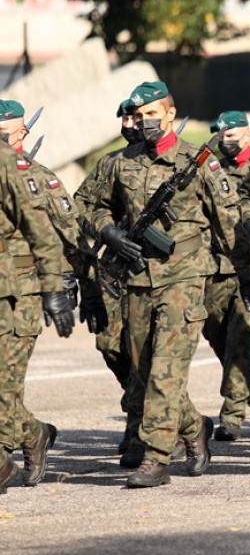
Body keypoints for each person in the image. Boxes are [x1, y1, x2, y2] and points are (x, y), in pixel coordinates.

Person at [87, 81, 250, 487]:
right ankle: (194, 424)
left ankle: (156, 457)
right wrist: (109, 232)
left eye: (152, 114)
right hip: (136, 278)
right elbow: (85, 206)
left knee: (166, 369)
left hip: (185, 276)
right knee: (145, 371)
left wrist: (246, 274)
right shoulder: (119, 163)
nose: (145, 122)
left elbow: (229, 221)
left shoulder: (197, 160)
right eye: (139, 115)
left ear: (169, 113)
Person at [0, 102, 75, 492]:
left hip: (20, 297)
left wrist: (59, 286)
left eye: (5, 133)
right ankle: (34, 435)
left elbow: (58, 235)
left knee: (3, 389)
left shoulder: (33, 177)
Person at [74, 98, 144, 455]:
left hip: (161, 273)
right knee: (110, 344)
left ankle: (139, 427)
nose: (132, 124)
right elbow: (80, 206)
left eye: (138, 116)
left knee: (146, 352)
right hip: (116, 269)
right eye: (127, 118)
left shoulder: (178, 164)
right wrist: (107, 230)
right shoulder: (111, 163)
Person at [204, 110, 250, 442]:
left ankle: (232, 415)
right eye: (220, 136)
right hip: (216, 267)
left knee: (240, 338)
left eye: (231, 135)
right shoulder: (209, 171)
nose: (225, 141)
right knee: (223, 345)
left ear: (247, 134)